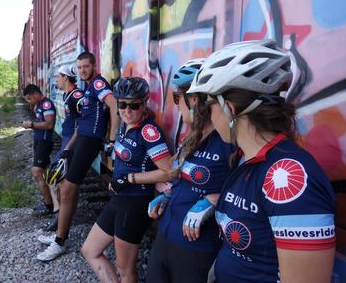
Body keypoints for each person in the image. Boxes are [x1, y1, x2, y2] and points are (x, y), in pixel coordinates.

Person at [188, 40, 336, 283]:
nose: (208, 115)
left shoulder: (289, 178)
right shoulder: (247, 159)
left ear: (231, 110)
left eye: (210, 105)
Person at [145, 59, 233, 283]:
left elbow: (249, 196)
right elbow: (178, 178)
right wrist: (166, 195)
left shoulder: (227, 141)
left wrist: (215, 199)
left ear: (194, 99)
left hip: (197, 247)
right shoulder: (190, 138)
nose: (176, 105)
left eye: (177, 98)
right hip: (166, 234)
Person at [81, 77, 172, 283]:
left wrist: (131, 178)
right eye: (122, 104)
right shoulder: (124, 125)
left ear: (145, 103)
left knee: (125, 271)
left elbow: (168, 172)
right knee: (89, 250)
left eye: (134, 105)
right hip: (119, 199)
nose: (127, 110)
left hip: (135, 204)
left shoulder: (149, 132)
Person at [37, 51, 119, 261]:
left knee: (69, 189)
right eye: (80, 67)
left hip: (91, 140)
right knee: (65, 189)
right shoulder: (88, 87)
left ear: (94, 66)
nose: (83, 70)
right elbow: (80, 125)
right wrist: (67, 149)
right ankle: (59, 236)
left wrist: (111, 139)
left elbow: (113, 105)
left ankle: (59, 242)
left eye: (86, 66)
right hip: (81, 138)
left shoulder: (98, 84)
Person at [44, 65, 84, 231]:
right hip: (68, 141)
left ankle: (60, 216)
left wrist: (68, 147)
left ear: (66, 77)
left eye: (58, 77)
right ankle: (60, 214)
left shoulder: (77, 96)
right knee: (57, 179)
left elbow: (83, 123)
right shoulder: (68, 95)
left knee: (55, 177)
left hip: (71, 143)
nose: (56, 80)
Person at [22, 84, 56, 217]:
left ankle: (49, 206)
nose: (30, 101)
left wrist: (30, 124)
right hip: (39, 141)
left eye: (30, 98)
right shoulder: (39, 104)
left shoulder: (46, 104)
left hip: (44, 142)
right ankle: (53, 203)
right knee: (45, 173)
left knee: (36, 171)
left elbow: (49, 124)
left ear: (37, 94)